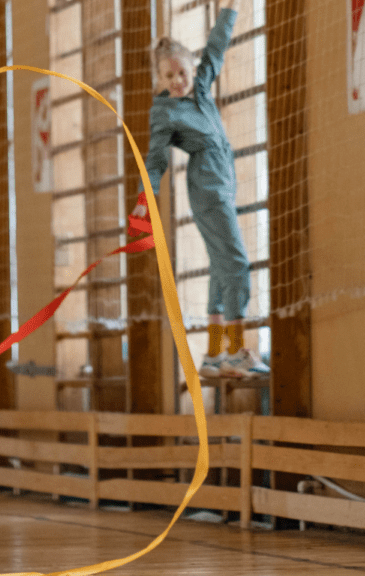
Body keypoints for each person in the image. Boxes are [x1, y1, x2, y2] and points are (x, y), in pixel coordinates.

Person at [130, 0, 268, 379]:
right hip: (207, 190)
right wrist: (146, 197)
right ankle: (238, 349)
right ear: (160, 78)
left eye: (181, 72)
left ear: (191, 67)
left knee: (220, 268)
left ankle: (211, 355)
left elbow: (217, 47)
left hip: (221, 188)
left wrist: (231, 11)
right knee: (237, 265)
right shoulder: (165, 111)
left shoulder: (202, 87)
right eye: (168, 76)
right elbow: (155, 158)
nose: (177, 81)